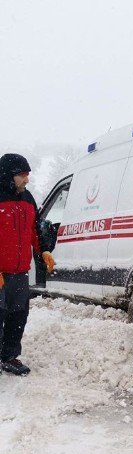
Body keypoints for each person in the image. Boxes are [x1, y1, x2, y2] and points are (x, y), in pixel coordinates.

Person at [0, 153, 55, 376]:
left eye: (28, 175)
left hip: (21, 272)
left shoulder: (28, 198)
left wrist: (44, 250)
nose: (27, 180)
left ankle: (10, 357)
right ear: (9, 176)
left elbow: (36, 229)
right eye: (23, 175)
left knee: (17, 316)